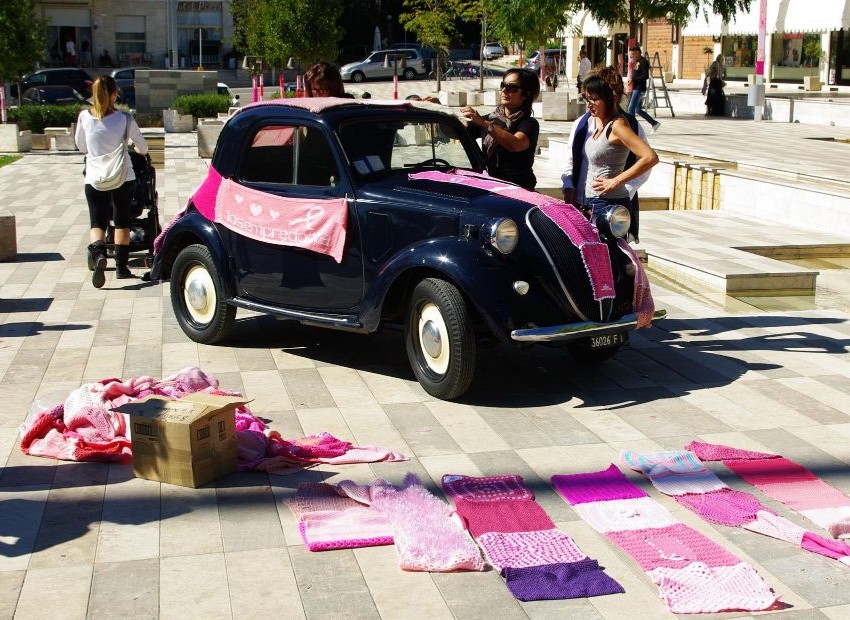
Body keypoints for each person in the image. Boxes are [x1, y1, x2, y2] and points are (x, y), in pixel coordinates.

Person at [75, 75, 148, 288]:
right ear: (115, 94)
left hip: (95, 177)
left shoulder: (84, 117)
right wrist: (134, 149)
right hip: (123, 177)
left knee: (97, 221)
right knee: (122, 221)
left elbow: (82, 147)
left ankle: (98, 255)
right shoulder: (125, 119)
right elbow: (142, 148)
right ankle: (121, 268)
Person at [563, 65, 651, 241]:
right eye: (588, 97)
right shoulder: (583, 123)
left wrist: (617, 184)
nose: (589, 103)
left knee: (609, 253)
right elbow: (571, 158)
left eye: (594, 98)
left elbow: (647, 159)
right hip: (585, 201)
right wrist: (569, 187)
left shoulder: (623, 125)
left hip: (609, 203)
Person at [460, 67, 540, 190]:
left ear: (526, 94)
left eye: (512, 88)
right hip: (492, 186)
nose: (504, 90)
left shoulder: (529, 123)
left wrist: (485, 124)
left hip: (519, 189)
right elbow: (459, 131)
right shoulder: (490, 119)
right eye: (503, 85)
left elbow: (515, 144)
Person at [626, 45, 661, 133]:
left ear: (638, 52)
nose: (632, 56)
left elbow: (645, 76)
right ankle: (654, 123)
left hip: (639, 88)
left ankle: (631, 128)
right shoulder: (637, 62)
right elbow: (636, 74)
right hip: (635, 87)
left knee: (631, 109)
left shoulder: (643, 62)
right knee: (638, 110)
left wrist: (633, 79)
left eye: (633, 54)